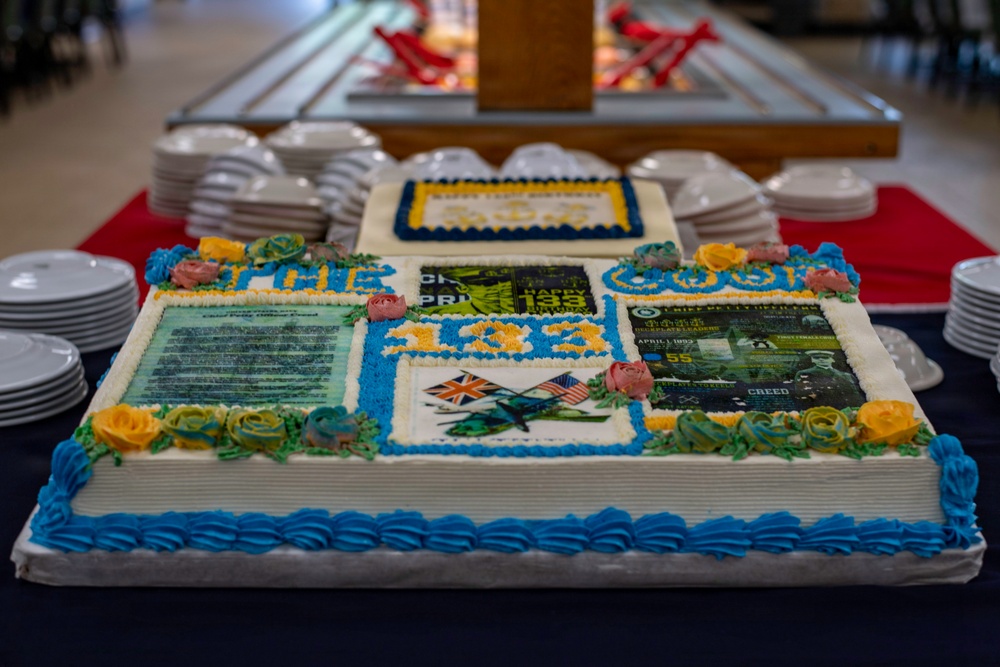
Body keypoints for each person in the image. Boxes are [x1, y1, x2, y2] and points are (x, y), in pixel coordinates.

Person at [794, 350, 860, 405]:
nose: (821, 360)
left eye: (825, 358)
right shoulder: (804, 373)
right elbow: (801, 393)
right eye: (816, 358)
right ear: (812, 360)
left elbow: (855, 394)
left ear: (832, 359)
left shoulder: (846, 375)